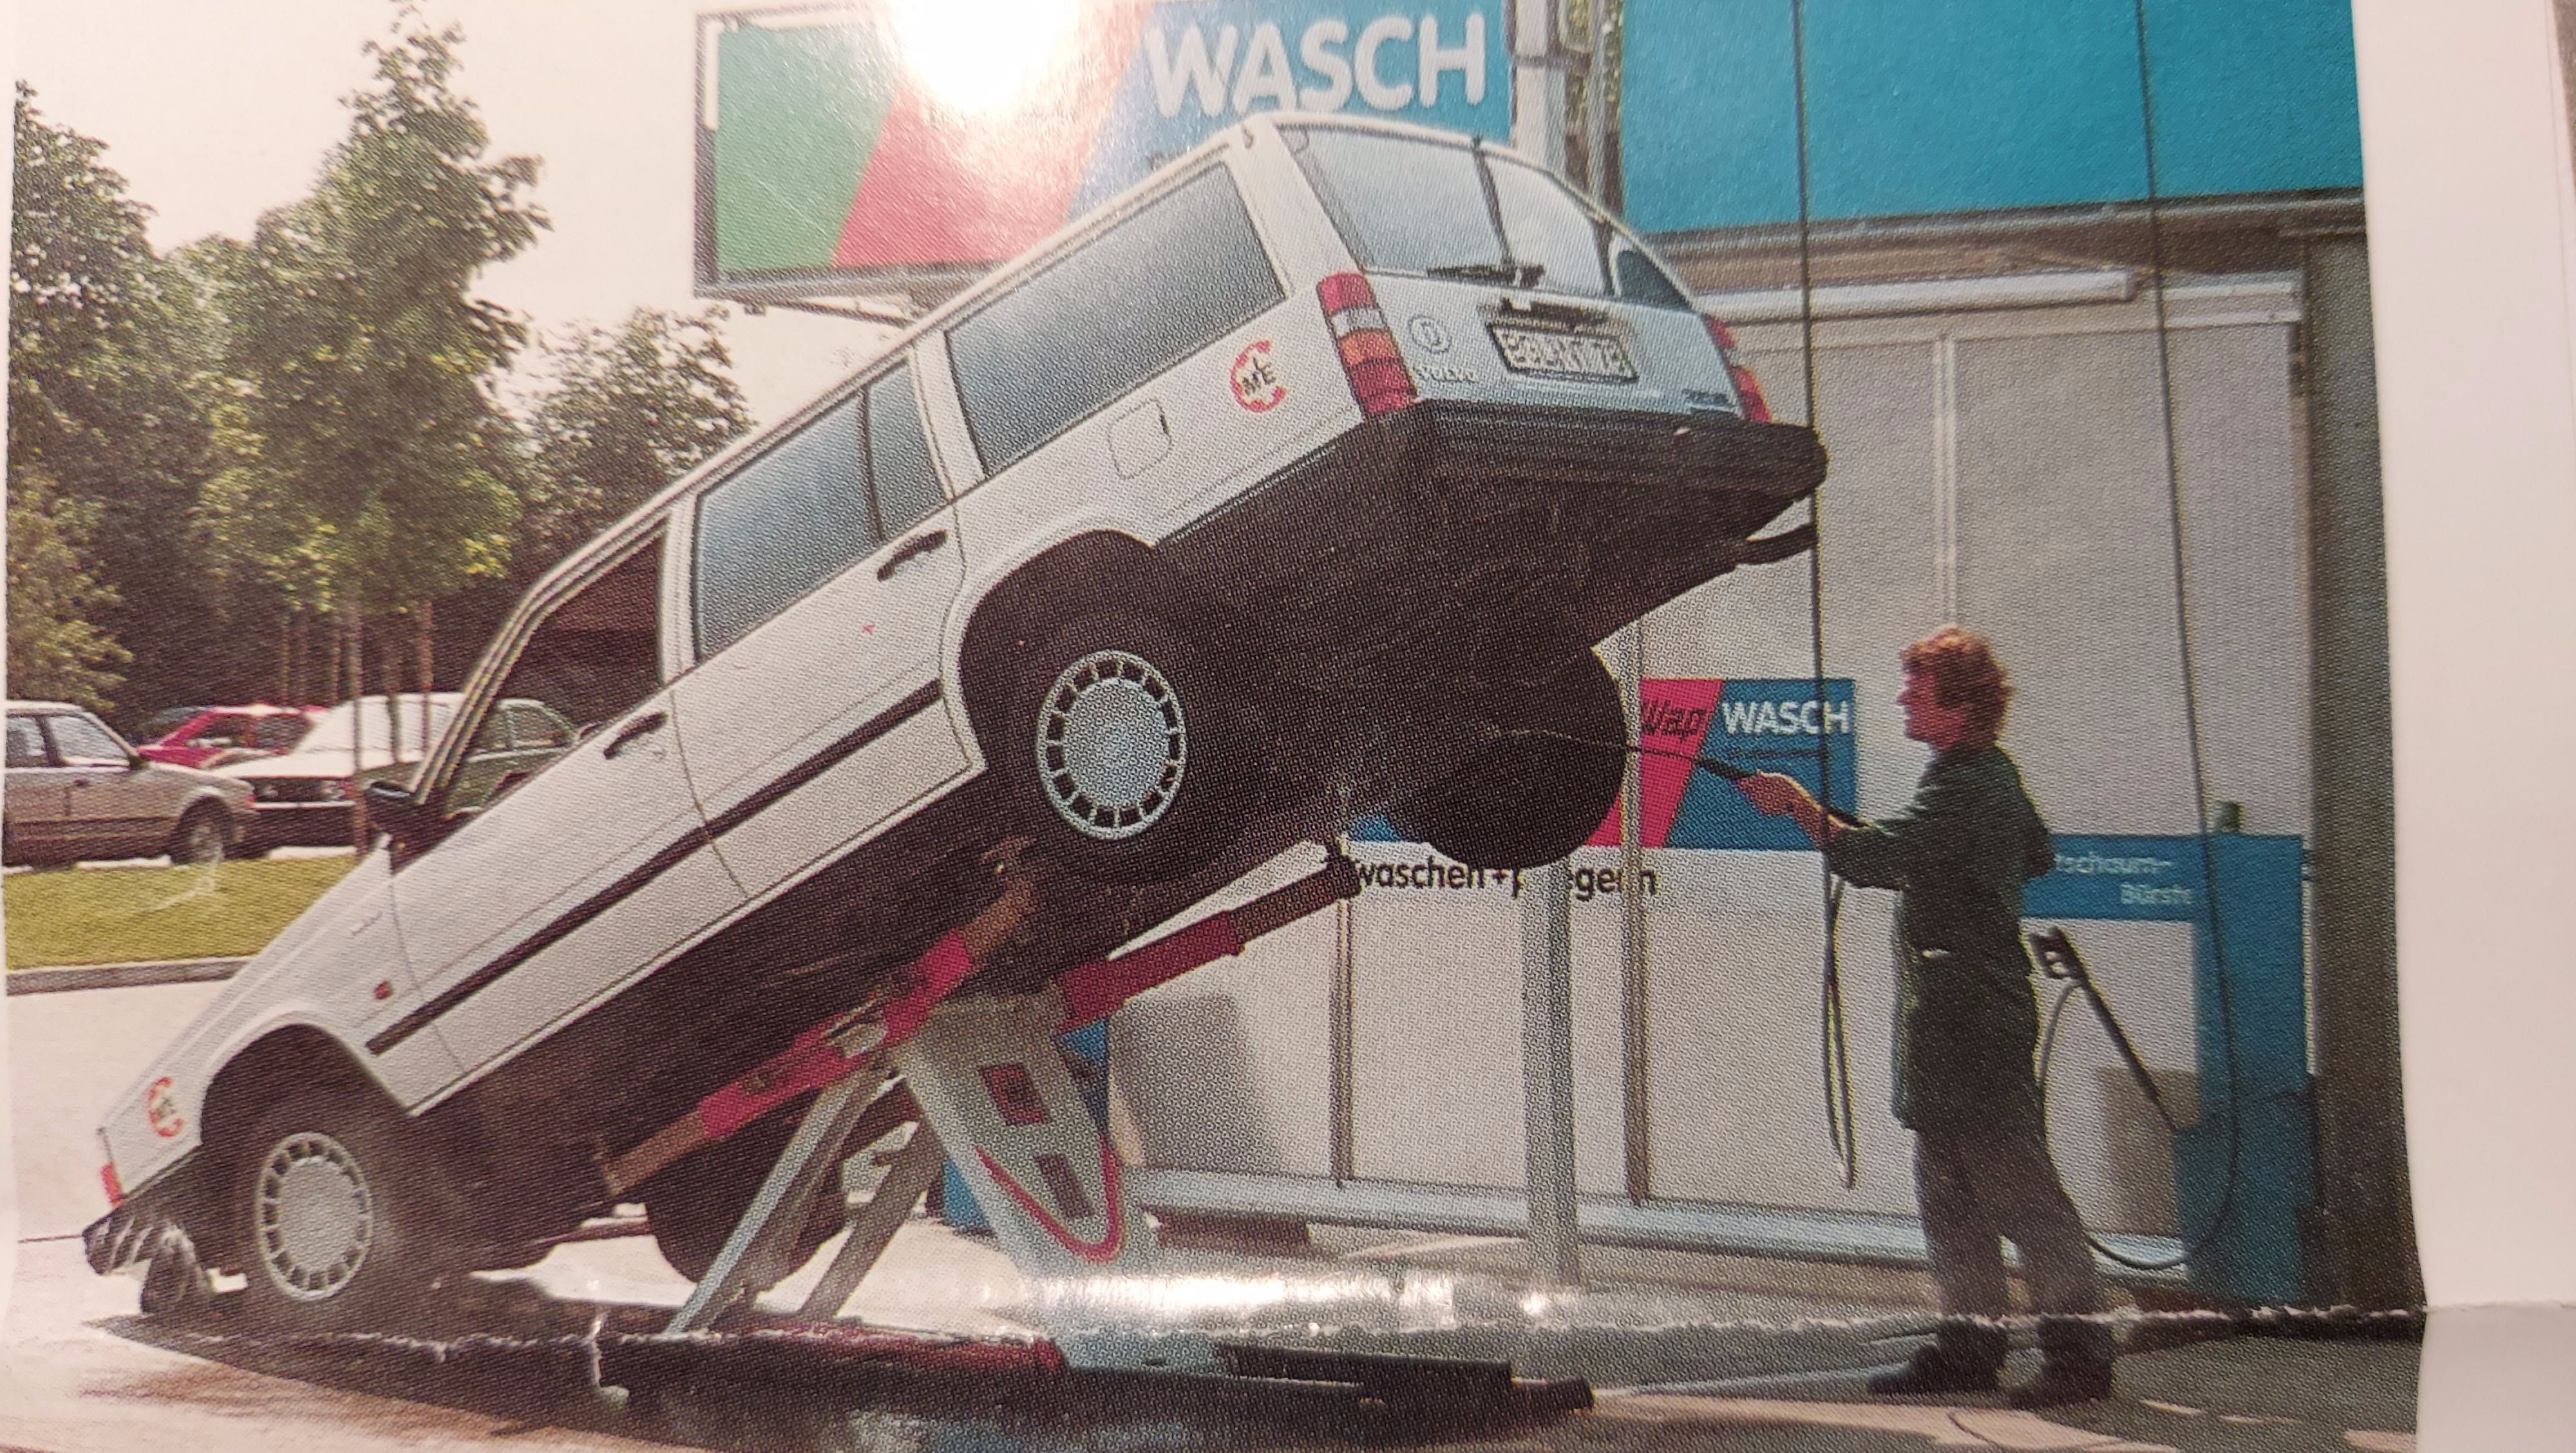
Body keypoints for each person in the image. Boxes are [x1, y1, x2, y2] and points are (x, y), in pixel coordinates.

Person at [1736, 626, 2114, 1408]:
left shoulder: (1969, 785)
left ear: (1961, 704)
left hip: (1971, 1025)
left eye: (1917, 687)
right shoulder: (1980, 780)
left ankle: (2080, 1357)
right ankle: (1968, 1349)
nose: (1903, 697)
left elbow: (1876, 861)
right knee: (1952, 1200)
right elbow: (2030, 852)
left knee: (2020, 1196)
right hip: (1955, 1023)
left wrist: (1802, 809)